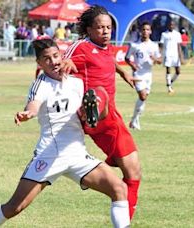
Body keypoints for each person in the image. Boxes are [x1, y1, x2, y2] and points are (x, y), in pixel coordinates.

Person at [0, 38, 130, 228]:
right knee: (15, 206)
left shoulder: (77, 82)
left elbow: (96, 107)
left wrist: (97, 108)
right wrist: (28, 113)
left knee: (119, 189)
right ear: (39, 63)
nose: (53, 62)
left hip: (77, 155)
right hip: (50, 155)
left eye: (56, 56)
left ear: (61, 55)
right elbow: (33, 105)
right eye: (46, 59)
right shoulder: (40, 85)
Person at [64, 5, 141, 220]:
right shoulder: (80, 47)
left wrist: (123, 72)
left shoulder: (108, 48)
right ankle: (91, 112)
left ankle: (125, 219)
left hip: (112, 117)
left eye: (108, 27)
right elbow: (64, 62)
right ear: (89, 30)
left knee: (130, 171)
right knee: (98, 94)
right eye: (100, 28)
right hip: (94, 115)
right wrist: (67, 64)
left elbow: (108, 61)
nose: (106, 31)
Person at [125, 22, 162, 130]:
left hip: (148, 74)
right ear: (140, 31)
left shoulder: (154, 45)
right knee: (143, 96)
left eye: (147, 30)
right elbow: (127, 58)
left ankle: (134, 120)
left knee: (143, 98)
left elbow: (160, 60)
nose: (145, 32)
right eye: (143, 30)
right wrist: (133, 65)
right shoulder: (134, 45)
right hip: (138, 74)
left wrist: (155, 59)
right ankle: (135, 120)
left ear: (150, 31)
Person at [159, 20, 184, 94]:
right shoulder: (164, 34)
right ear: (168, 25)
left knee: (178, 71)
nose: (171, 26)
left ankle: (170, 82)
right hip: (167, 54)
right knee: (168, 70)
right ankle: (169, 88)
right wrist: (159, 55)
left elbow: (179, 46)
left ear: (174, 26)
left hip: (175, 55)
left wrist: (181, 56)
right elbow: (161, 45)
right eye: (170, 25)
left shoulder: (177, 34)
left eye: (172, 25)